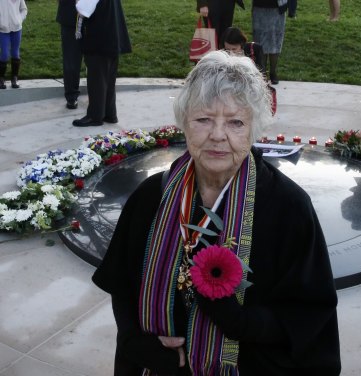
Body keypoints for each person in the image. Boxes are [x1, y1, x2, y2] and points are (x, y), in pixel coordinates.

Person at [92, 50, 341, 375]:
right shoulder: (152, 196)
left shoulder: (288, 207)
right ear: (184, 122)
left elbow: (309, 316)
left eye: (236, 122)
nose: (218, 135)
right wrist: (133, 341)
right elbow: (123, 284)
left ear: (254, 129)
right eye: (204, 119)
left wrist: (242, 323)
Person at [72, 0, 131, 127]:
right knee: (109, 80)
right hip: (112, 37)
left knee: (97, 79)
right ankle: (110, 114)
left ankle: (95, 116)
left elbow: (82, 9)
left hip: (99, 39)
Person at [252, 0, 288, 84]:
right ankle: (262, 73)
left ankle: (273, 72)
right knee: (260, 42)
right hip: (259, 8)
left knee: (275, 41)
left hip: (277, 8)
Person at [56, 0, 84, 109]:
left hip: (94, 17)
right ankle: (72, 96)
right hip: (70, 18)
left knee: (95, 59)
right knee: (71, 59)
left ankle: (98, 94)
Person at [0, 0, 27, 89]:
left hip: (17, 29)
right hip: (3, 30)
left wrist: (19, 20)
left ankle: (14, 78)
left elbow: (24, 9)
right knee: (4, 54)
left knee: (15, 53)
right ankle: (1, 78)